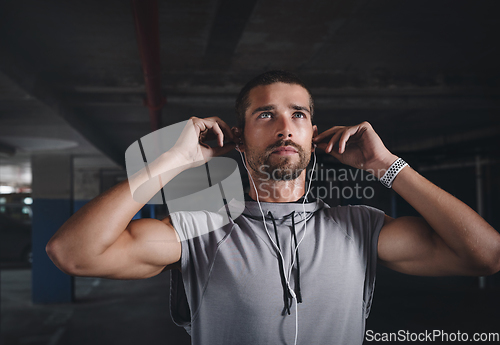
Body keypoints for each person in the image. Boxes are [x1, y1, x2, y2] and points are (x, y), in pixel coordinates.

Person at [46, 71, 500, 345]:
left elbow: (485, 255)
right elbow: (73, 253)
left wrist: (385, 165)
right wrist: (175, 160)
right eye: (266, 114)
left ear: (313, 134)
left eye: (298, 114)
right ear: (238, 136)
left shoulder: (362, 227)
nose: (286, 126)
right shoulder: (197, 231)